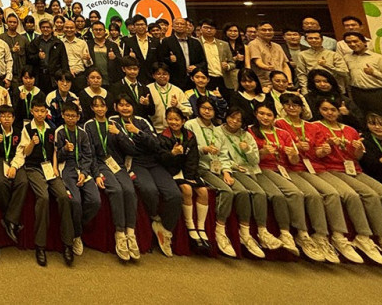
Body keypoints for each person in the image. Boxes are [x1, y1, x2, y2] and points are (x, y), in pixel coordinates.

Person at [276, 93, 368, 264]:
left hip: (314, 168)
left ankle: (339, 237)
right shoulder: (279, 124)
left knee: (334, 194)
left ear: (302, 108)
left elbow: (318, 152)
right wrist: (296, 148)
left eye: (295, 105)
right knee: (312, 195)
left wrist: (325, 150)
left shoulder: (311, 127)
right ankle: (306, 235)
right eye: (287, 105)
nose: (292, 108)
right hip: (291, 168)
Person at [313, 98, 382, 265]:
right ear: (319, 110)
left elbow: (357, 157)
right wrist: (326, 148)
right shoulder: (315, 127)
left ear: (339, 111)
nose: (329, 113)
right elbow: (315, 153)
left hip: (354, 169)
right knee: (352, 195)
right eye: (325, 109)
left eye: (333, 109)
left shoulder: (350, 130)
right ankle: (365, 237)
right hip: (330, 169)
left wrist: (358, 150)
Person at [185, 99, 265, 259]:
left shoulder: (216, 130)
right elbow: (188, 147)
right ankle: (220, 230)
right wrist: (204, 149)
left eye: (210, 109)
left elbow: (223, 155)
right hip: (199, 167)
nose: (207, 111)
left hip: (218, 167)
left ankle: (245, 233)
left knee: (243, 192)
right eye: (204, 108)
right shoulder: (190, 125)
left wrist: (226, 171)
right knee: (226, 191)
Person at [248, 102, 329, 261]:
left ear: (274, 117)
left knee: (313, 194)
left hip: (284, 170)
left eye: (269, 115)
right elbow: (250, 158)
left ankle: (316, 236)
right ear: (256, 115)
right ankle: (296, 234)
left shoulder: (283, 133)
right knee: (293, 193)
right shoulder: (250, 131)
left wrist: (293, 154)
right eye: (261, 114)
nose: (265, 117)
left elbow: (294, 161)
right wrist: (263, 152)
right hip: (263, 169)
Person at [110, 94, 181, 258]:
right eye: (121, 105)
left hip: (154, 162)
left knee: (175, 195)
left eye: (128, 105)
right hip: (134, 163)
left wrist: (138, 132)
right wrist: (139, 143)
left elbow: (156, 144)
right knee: (150, 190)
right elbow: (129, 149)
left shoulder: (142, 121)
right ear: (116, 107)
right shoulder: (114, 122)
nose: (125, 108)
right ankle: (155, 217)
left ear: (133, 107)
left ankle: (165, 230)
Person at [216, 106, 286, 255]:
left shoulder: (246, 135)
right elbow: (220, 156)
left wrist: (247, 149)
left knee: (260, 193)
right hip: (231, 170)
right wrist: (229, 169)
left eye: (239, 120)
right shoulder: (218, 132)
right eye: (232, 117)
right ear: (226, 116)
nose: (235, 121)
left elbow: (255, 160)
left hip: (250, 171)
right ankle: (242, 232)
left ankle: (262, 231)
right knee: (244, 192)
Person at [20, 95, 74, 267]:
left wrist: (56, 167)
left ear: (46, 112)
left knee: (63, 196)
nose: (40, 114)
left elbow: (55, 151)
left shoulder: (52, 129)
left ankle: (68, 244)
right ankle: (40, 246)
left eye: (42, 111)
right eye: (37, 111)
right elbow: (25, 153)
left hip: (50, 167)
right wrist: (32, 143)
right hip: (33, 168)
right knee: (43, 198)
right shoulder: (27, 128)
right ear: (32, 111)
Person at [83, 95, 138, 261]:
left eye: (102, 106)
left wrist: (119, 134)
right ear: (92, 108)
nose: (100, 109)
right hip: (101, 165)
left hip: (118, 164)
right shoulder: (89, 125)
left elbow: (131, 149)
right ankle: (120, 233)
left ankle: (130, 233)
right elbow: (89, 153)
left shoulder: (115, 124)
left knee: (129, 190)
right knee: (116, 190)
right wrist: (96, 174)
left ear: (107, 108)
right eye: (96, 106)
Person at [157, 106, 208, 249]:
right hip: (172, 170)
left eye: (177, 119)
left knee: (203, 191)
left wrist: (190, 176)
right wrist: (172, 153)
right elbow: (161, 159)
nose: (173, 122)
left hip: (188, 171)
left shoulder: (190, 135)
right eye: (170, 119)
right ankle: (190, 226)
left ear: (183, 120)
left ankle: (201, 227)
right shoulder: (163, 137)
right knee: (186, 189)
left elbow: (193, 158)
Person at [56, 101, 100, 258]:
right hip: (67, 169)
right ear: (62, 116)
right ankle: (77, 235)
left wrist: (84, 172)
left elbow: (88, 155)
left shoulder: (82, 133)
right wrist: (64, 149)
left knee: (95, 201)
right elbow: (56, 156)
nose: (70, 118)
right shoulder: (60, 132)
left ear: (78, 117)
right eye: (67, 115)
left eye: (73, 116)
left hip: (82, 168)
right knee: (75, 202)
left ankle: (78, 224)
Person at [0, 104, 27, 245]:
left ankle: (8, 219)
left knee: (23, 182)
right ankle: (12, 220)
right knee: (0, 182)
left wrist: (14, 166)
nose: (6, 119)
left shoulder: (19, 131)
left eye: (9, 116)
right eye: (3, 116)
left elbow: (21, 152)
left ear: (13, 118)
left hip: (15, 160)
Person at [343, 31, 382, 116]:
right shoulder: (346, 58)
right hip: (356, 93)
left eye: (355, 41)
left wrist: (374, 73)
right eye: (348, 42)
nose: (352, 44)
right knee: (361, 118)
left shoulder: (379, 58)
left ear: (364, 42)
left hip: (376, 93)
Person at [156, 18, 206, 90]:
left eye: (182, 24)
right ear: (172, 26)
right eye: (177, 24)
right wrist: (170, 60)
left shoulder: (195, 42)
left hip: (193, 79)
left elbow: (203, 61)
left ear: (186, 26)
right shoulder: (166, 41)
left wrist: (196, 66)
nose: (179, 26)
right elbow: (161, 60)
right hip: (175, 79)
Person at [147, 63, 191, 132]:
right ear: (153, 76)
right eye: (158, 74)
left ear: (169, 75)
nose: (162, 76)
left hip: (175, 130)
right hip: (155, 129)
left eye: (165, 74)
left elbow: (189, 111)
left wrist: (178, 105)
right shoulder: (147, 89)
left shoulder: (177, 90)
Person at [246, 22, 291, 87]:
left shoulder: (277, 46)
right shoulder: (253, 44)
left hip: (281, 83)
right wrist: (267, 67)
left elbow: (285, 65)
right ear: (257, 32)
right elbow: (258, 62)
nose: (267, 32)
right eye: (264, 30)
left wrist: (289, 82)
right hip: (264, 83)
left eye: (270, 30)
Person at [197, 20, 236, 92]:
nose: (209, 30)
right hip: (205, 78)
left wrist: (227, 66)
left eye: (211, 28)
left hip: (222, 79)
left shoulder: (224, 44)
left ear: (215, 30)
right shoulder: (196, 43)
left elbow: (232, 63)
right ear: (200, 29)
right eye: (206, 27)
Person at [221, 23, 245, 90]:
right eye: (230, 31)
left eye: (235, 31)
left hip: (240, 73)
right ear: (225, 32)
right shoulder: (222, 45)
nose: (233, 33)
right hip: (227, 74)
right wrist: (235, 58)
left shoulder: (243, 46)